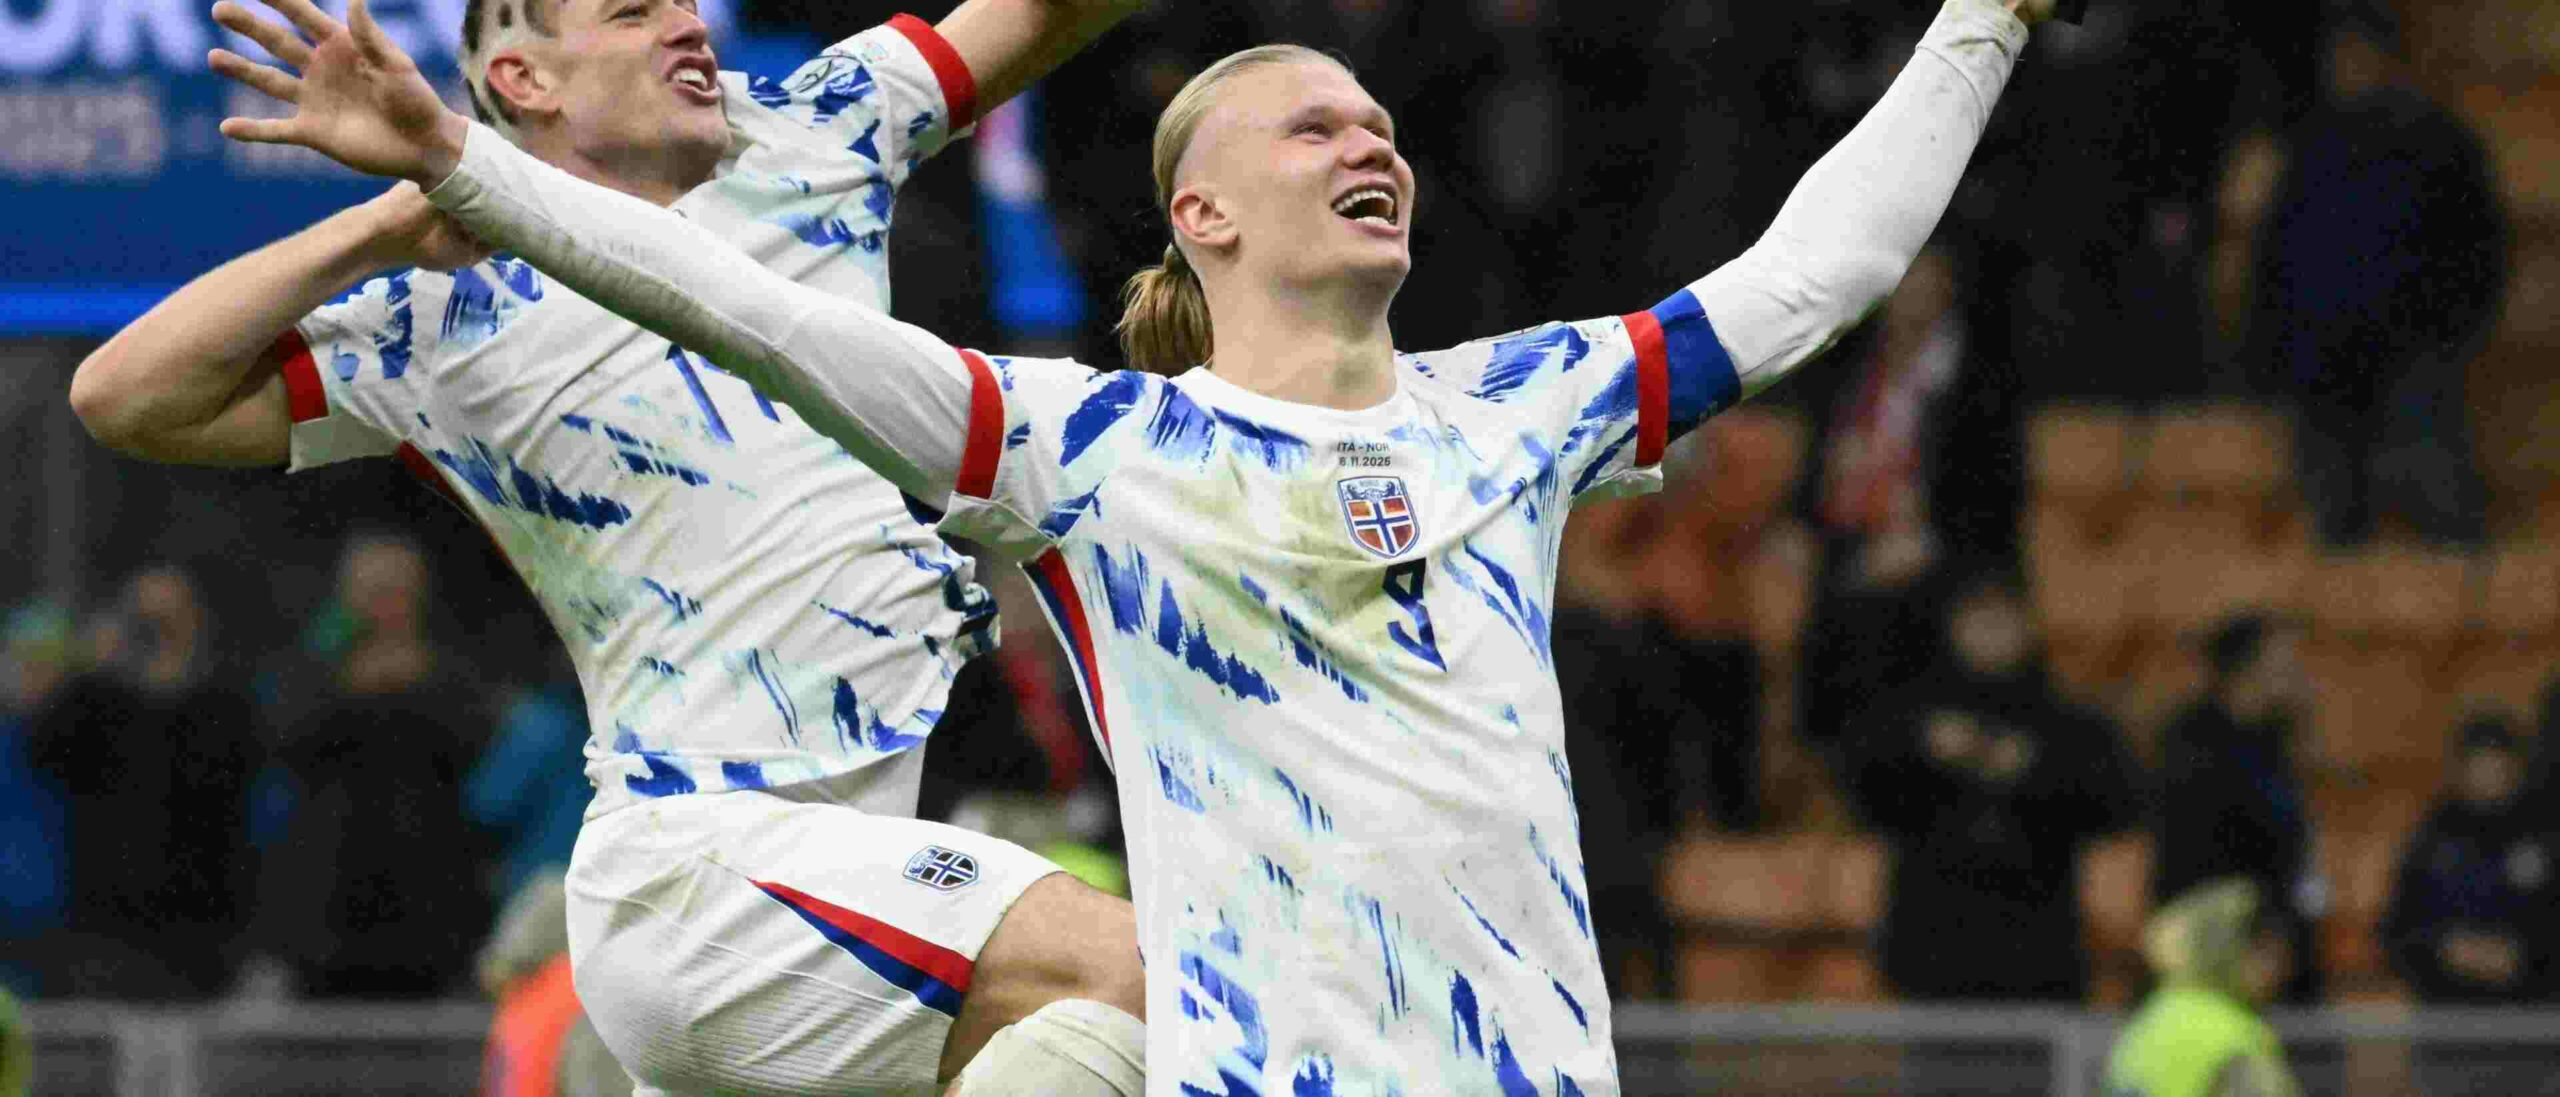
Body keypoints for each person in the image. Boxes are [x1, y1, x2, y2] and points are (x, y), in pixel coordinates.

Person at [211, 0, 2062, 1086]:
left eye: (1385, 119)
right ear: (1206, 208)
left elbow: (1821, 272)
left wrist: (1983, 19)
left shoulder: (1526, 406)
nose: (1372, 137)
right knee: (1099, 1011)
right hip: (1246, 1067)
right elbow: (747, 314)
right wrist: (458, 171)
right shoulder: (1085, 451)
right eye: (1316, 117)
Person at [70, 0, 1149, 1090]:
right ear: (526, 83)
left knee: (1100, 1043)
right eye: (636, 13)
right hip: (703, 874)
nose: (687, 26)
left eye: (685, 5)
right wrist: (383, 224)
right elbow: (123, 395)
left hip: (845, 888)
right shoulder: (444, 314)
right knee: (1157, 982)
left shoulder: (810, 126)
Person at [2246, 0, 2508, 548]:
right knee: (2336, 530)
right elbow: (2278, 256)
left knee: (2443, 518)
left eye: (2360, 53)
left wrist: (2447, 333)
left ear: (2389, 59)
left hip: (2416, 361)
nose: (2349, 65)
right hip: (2324, 367)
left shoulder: (2439, 144)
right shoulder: (2310, 148)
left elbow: (2479, 247)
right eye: (2340, 55)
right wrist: (2272, 348)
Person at [1842, 566, 2141, 1002]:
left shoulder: (2066, 724)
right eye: (1977, 621)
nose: (1991, 634)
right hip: (1933, 953)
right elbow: (1864, 796)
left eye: (2003, 620)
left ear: (2028, 626)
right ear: (1952, 628)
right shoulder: (1910, 716)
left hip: (2037, 954)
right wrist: (1923, 753)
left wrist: (2031, 771)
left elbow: (2118, 805)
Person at [26, 566, 263, 999]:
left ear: (196, 620)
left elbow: (236, 794)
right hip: (105, 925)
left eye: (168, 619)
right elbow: (42, 751)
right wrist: (95, 666)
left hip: (201, 927)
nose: (156, 633)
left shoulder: (223, 704)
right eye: (144, 620)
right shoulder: (95, 700)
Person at [2153, 612, 2326, 1004]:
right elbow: (2200, 864)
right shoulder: (2193, 750)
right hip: (2224, 960)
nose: (2297, 675)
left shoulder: (2276, 745)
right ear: (2245, 671)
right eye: (2283, 664)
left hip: (2281, 955)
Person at [2379, 712, 2560, 1003]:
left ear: (2517, 768)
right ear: (2460, 769)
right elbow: (2396, 934)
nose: (2488, 776)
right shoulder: (2431, 839)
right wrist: (2445, 950)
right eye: (2479, 765)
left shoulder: (2546, 837)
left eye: (2497, 765)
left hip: (2532, 1018)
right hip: (2448, 1020)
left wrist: (2524, 957)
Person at [2103, 877, 2301, 1097]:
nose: (2280, 972)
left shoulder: (2143, 1026)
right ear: (2232, 952)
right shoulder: (2233, 1036)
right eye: (2267, 953)